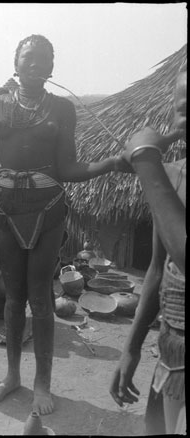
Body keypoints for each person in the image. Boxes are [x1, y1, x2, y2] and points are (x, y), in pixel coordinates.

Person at [0, 34, 129, 414]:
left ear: (52, 68)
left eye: (43, 59)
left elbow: (68, 168)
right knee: (12, 300)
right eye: (28, 58)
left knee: (40, 299)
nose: (35, 64)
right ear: (16, 63)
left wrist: (110, 163)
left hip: (47, 212)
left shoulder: (62, 109)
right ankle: (11, 376)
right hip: (5, 214)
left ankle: (42, 385)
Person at [109, 63, 186, 435]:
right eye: (182, 106)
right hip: (173, 354)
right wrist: (132, 348)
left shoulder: (160, 176)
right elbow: (159, 267)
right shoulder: (172, 177)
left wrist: (145, 161)